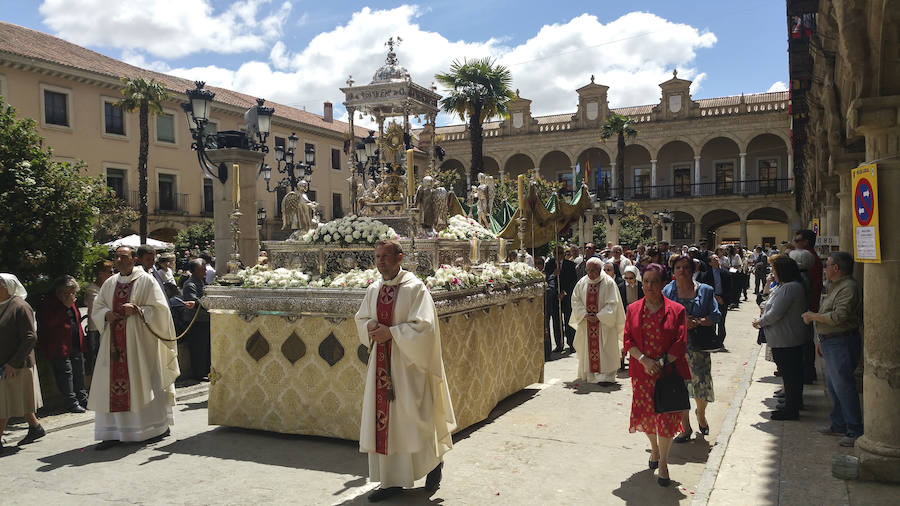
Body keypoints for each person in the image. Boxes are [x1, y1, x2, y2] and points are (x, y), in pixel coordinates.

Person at [354, 240, 455, 502]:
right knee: (389, 426)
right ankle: (391, 482)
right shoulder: (374, 289)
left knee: (414, 420)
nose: (380, 262)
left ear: (400, 258)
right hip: (381, 367)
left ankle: (434, 463)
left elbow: (426, 327)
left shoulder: (415, 288)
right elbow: (361, 318)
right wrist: (371, 328)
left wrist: (392, 333)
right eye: (377, 257)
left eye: (385, 257)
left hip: (409, 366)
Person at [89, 246, 179, 450]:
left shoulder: (146, 280)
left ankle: (153, 428)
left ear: (134, 259)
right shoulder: (110, 283)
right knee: (109, 384)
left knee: (144, 381)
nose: (120, 260)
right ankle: (111, 433)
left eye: (124, 257)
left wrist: (139, 310)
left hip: (140, 345)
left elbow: (161, 310)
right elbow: (98, 306)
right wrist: (105, 315)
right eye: (117, 257)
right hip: (114, 345)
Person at [624, 264, 690, 487]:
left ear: (663, 284)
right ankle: (654, 448)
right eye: (645, 282)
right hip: (642, 374)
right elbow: (628, 341)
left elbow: (680, 343)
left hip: (667, 373)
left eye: (654, 282)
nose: (649, 286)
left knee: (667, 417)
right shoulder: (633, 309)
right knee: (647, 416)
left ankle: (663, 462)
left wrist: (659, 363)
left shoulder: (677, 310)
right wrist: (644, 360)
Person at [802, 252, 863, 447]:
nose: (825, 268)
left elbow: (838, 317)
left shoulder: (849, 288)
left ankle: (854, 429)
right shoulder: (835, 286)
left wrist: (813, 317)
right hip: (831, 340)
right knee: (834, 386)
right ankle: (838, 423)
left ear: (836, 268)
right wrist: (821, 338)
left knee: (844, 387)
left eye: (827, 265)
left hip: (842, 342)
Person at [663, 254, 721, 443]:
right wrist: (680, 322)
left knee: (701, 385)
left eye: (686, 267)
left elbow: (716, 314)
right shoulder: (668, 291)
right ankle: (685, 427)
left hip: (698, 347)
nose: (682, 271)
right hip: (676, 346)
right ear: (673, 270)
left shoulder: (705, 290)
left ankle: (701, 414)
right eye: (678, 268)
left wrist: (698, 321)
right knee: (679, 388)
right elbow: (661, 315)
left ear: (693, 269)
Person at [753, 255, 808, 420]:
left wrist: (760, 322)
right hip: (785, 338)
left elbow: (776, 313)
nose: (772, 273)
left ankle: (791, 409)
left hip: (787, 340)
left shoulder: (790, 288)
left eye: (774, 270)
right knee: (790, 375)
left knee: (790, 375)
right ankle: (793, 403)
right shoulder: (786, 286)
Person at [0, 274, 45, 454]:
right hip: (4, 363)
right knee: (16, 400)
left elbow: (30, 337)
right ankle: (35, 427)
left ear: (7, 287)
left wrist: (13, 363)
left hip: (15, 365)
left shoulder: (20, 306)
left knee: (4, 404)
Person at [569, 257, 626, 385]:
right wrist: (584, 314)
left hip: (604, 324)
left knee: (606, 348)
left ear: (600, 270)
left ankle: (606, 376)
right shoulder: (582, 282)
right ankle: (590, 375)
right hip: (587, 323)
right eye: (588, 270)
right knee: (588, 349)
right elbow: (575, 300)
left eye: (594, 270)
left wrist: (599, 316)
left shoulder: (609, 282)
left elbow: (613, 304)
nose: (590, 273)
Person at [37, 275, 88, 413]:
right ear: (59, 292)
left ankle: (83, 398)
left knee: (79, 372)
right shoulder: (47, 303)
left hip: (75, 343)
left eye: (73, 292)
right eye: (67, 292)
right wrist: (65, 306)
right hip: (58, 346)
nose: (71, 295)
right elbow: (49, 323)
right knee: (65, 374)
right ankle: (71, 403)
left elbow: (76, 321)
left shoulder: (71, 301)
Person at [789, 249, 818, 384]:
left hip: (800, 318)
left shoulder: (800, 279)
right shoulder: (804, 277)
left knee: (803, 349)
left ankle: (806, 375)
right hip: (803, 316)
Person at [181, 259, 211, 381]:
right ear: (195, 271)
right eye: (202, 269)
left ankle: (206, 370)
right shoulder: (190, 284)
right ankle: (198, 373)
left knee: (206, 347)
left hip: (204, 320)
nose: (205, 271)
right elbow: (193, 301)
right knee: (198, 348)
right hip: (196, 321)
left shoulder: (201, 281)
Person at [84, 260, 113, 375]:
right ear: (101, 273)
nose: (112, 274)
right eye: (110, 272)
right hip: (96, 328)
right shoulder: (92, 289)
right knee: (96, 356)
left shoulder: (109, 287)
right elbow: (97, 306)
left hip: (108, 327)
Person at [698, 254, 732, 349]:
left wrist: (724, 300)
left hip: (722, 301)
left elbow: (729, 289)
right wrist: (713, 298)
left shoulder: (726, 273)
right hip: (710, 301)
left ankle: (720, 342)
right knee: (711, 323)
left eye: (717, 258)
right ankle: (713, 341)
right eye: (714, 259)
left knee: (721, 323)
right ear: (709, 263)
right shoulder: (705, 275)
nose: (717, 259)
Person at [555, 246, 578, 352]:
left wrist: (564, 292)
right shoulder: (550, 264)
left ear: (563, 254)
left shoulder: (570, 265)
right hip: (555, 298)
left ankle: (572, 343)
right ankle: (559, 344)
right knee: (557, 322)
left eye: (560, 253)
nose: (557, 255)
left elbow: (573, 281)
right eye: (555, 253)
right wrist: (553, 274)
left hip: (567, 296)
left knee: (569, 320)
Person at [542, 257, 565, 355]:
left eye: (540, 263)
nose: (538, 265)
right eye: (536, 263)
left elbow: (551, 288)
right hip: (542, 306)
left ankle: (558, 345)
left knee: (555, 324)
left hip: (552, 303)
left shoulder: (549, 276)